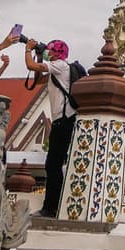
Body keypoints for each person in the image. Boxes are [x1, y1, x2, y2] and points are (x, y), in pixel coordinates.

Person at [25, 38, 75, 220]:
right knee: (54, 164)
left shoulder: (60, 65)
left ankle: (50, 208)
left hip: (64, 121)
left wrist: (28, 50)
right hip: (61, 121)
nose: (48, 52)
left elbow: (30, 67)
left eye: (50, 50)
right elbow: (38, 80)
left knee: (52, 165)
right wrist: (39, 55)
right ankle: (53, 206)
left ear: (58, 52)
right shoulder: (57, 70)